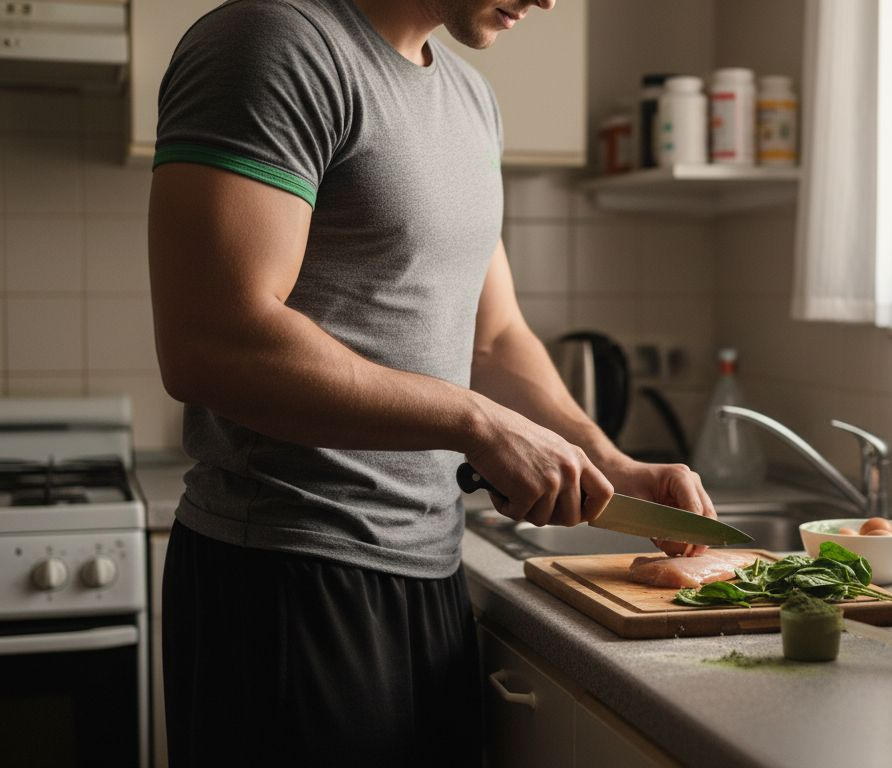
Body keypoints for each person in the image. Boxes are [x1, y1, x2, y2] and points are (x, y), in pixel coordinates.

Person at [147, 1, 717, 765]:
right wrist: (478, 424)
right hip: (288, 577)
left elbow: (494, 336)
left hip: (428, 572)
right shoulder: (275, 43)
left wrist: (605, 461)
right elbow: (210, 340)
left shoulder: (469, 97)